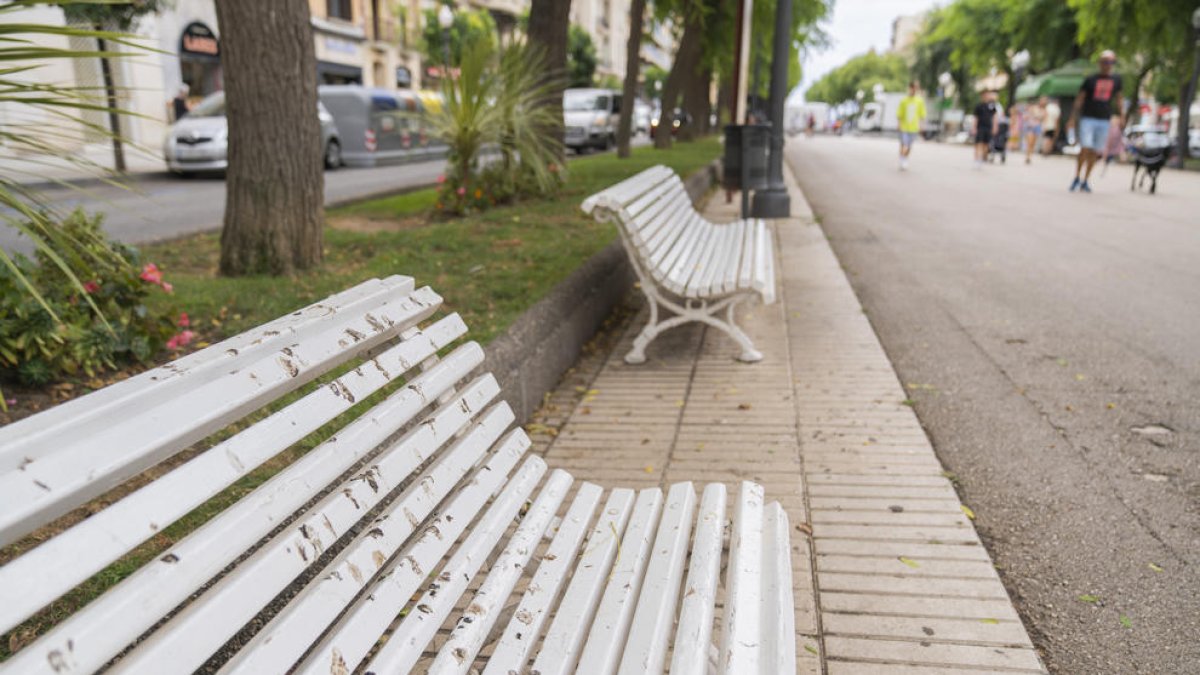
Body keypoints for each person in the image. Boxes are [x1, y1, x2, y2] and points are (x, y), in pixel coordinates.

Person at [1068, 50, 1125, 193]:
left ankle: (1085, 180)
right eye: (1105, 61)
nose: (1108, 65)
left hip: (1104, 119)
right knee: (1085, 147)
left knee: (1095, 151)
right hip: (1088, 117)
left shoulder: (1117, 80)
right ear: (1100, 63)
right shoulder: (1090, 80)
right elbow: (1080, 99)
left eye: (1111, 62)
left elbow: (1119, 99)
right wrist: (1072, 118)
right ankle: (1077, 176)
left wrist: (1122, 116)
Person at [896, 81, 926, 170]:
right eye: (913, 88)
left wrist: (921, 125)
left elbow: (922, 115)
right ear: (910, 88)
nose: (914, 90)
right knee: (904, 144)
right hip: (904, 127)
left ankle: (904, 158)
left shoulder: (919, 101)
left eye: (916, 88)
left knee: (909, 146)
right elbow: (899, 114)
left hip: (914, 128)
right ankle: (902, 159)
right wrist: (899, 124)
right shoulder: (904, 100)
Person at [972, 90, 999, 169]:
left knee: (986, 144)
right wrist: (974, 127)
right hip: (980, 127)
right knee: (978, 143)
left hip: (988, 127)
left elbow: (994, 117)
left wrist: (995, 127)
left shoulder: (992, 106)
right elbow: (976, 118)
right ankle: (977, 159)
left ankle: (983, 158)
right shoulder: (979, 106)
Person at [1023, 98, 1045, 163]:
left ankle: (1030, 156)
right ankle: (1027, 156)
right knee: (1029, 142)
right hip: (1031, 126)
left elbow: (1043, 119)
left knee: (1033, 143)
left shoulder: (1044, 110)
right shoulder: (1034, 108)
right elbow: (1027, 116)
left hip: (1037, 127)